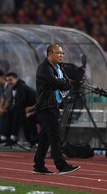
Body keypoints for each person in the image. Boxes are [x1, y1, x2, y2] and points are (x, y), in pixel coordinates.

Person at [33, 43, 80, 175]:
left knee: (46, 137)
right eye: (58, 53)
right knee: (55, 136)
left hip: (53, 106)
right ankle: (61, 165)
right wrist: (62, 82)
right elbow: (57, 83)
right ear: (49, 54)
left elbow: (66, 84)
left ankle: (38, 164)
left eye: (62, 53)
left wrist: (63, 82)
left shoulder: (59, 68)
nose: (61, 55)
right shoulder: (44, 68)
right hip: (46, 106)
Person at [0, 72, 38, 149]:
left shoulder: (21, 88)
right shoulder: (15, 88)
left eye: (10, 80)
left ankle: (19, 139)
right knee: (10, 112)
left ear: (16, 79)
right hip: (28, 109)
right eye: (7, 80)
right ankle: (7, 136)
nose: (9, 82)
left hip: (36, 110)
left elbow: (21, 103)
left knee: (19, 115)